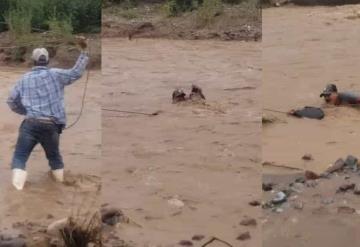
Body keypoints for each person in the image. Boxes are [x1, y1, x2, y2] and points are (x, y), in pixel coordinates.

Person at [7, 37, 89, 190]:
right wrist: (84, 51)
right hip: (51, 125)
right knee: (54, 158)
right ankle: (60, 186)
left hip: (30, 124)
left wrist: (26, 111)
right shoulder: (55, 74)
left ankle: (17, 191)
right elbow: (76, 72)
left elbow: (11, 101)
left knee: (19, 157)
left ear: (33, 61)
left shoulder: (23, 79)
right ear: (48, 60)